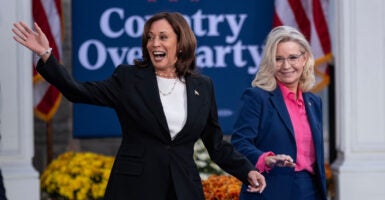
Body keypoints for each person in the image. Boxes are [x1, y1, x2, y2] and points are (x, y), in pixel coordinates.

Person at [12, 12, 265, 200]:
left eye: (163, 37)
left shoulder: (203, 86)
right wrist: (46, 55)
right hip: (135, 188)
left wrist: (247, 171)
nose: (155, 44)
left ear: (180, 43)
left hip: (183, 189)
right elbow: (77, 92)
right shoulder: (129, 79)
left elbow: (216, 144)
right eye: (150, 38)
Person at [231, 26, 327, 200]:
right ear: (270, 62)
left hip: (310, 189)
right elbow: (240, 143)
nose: (286, 66)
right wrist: (265, 159)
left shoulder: (314, 102)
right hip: (269, 189)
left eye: (293, 58)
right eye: (278, 59)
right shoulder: (256, 97)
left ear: (304, 58)